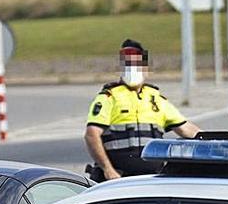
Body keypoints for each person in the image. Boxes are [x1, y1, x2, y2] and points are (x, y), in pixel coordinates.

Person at [85, 39, 202, 180]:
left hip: (152, 179)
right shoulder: (109, 97)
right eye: (128, 65)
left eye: (137, 65)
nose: (132, 70)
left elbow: (186, 129)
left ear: (146, 69)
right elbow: (92, 135)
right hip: (118, 178)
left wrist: (215, 142)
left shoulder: (155, 98)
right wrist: (108, 169)